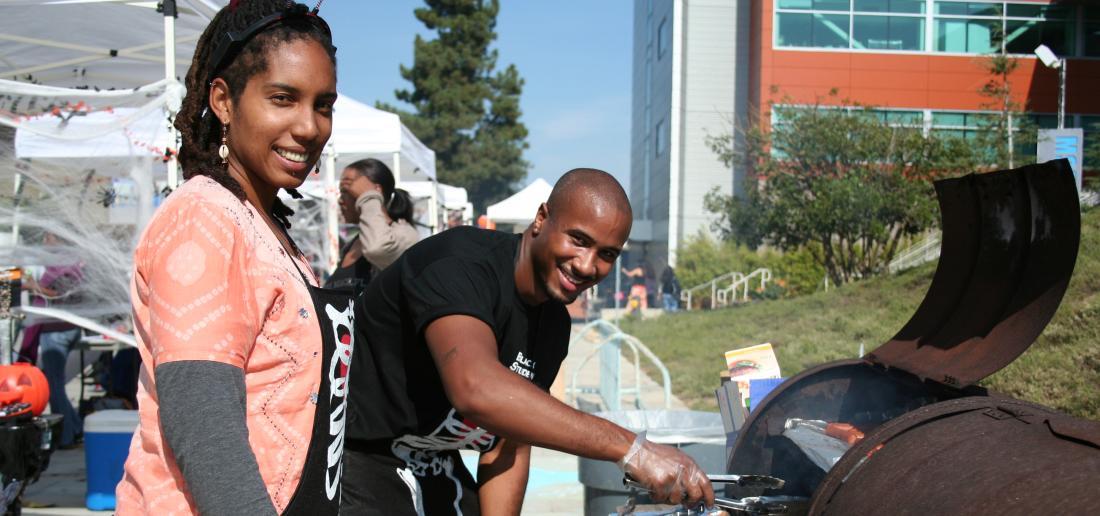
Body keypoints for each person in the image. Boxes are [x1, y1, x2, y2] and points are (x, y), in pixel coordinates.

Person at [342, 168, 714, 515]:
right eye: (579, 240)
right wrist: (632, 449)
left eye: (607, 254)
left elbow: (510, 443)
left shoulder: (553, 324)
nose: (587, 266)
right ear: (541, 218)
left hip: (431, 462)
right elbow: (476, 388)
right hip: (350, 452)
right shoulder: (461, 262)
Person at [116, 3, 353, 515]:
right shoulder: (205, 220)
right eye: (283, 99)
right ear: (223, 100)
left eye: (323, 105)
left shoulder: (257, 221)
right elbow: (205, 428)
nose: (309, 127)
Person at [21, 233, 85, 449]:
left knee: (53, 384)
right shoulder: (70, 263)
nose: (45, 241)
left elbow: (58, 294)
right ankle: (74, 427)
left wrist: (32, 287)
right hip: (65, 328)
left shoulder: (65, 265)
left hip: (57, 329)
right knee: (55, 383)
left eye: (48, 238)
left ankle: (66, 435)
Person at [326, 158, 419, 292]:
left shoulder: (404, 235)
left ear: (376, 191)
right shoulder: (351, 245)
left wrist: (369, 196)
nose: (340, 200)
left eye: (346, 190)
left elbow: (376, 249)